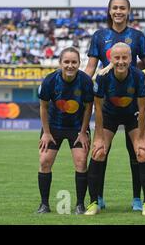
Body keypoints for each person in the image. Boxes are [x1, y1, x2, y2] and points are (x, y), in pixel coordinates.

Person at [85, 0, 145, 211]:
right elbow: (90, 68)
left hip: (131, 106)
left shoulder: (137, 36)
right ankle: (96, 198)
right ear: (110, 11)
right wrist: (80, 84)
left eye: (122, 8)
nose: (118, 11)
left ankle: (139, 199)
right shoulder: (99, 36)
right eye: (115, 8)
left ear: (128, 11)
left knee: (137, 152)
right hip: (107, 104)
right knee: (101, 151)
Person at [84, 43, 145, 216]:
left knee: (143, 152)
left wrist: (143, 136)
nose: (121, 61)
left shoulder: (138, 76)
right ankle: (93, 202)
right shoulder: (102, 77)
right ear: (111, 59)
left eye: (125, 58)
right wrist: (99, 136)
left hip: (133, 115)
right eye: (117, 58)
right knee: (98, 152)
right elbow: (97, 109)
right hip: (109, 115)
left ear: (131, 59)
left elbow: (143, 108)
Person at [37, 47, 93, 214]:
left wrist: (83, 132)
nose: (70, 65)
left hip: (76, 128)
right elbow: (43, 107)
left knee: (81, 162)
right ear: (60, 63)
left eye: (73, 62)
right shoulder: (50, 80)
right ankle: (44, 205)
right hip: (53, 127)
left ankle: (80, 205)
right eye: (66, 62)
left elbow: (88, 108)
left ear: (79, 63)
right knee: (44, 162)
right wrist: (46, 133)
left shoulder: (85, 81)